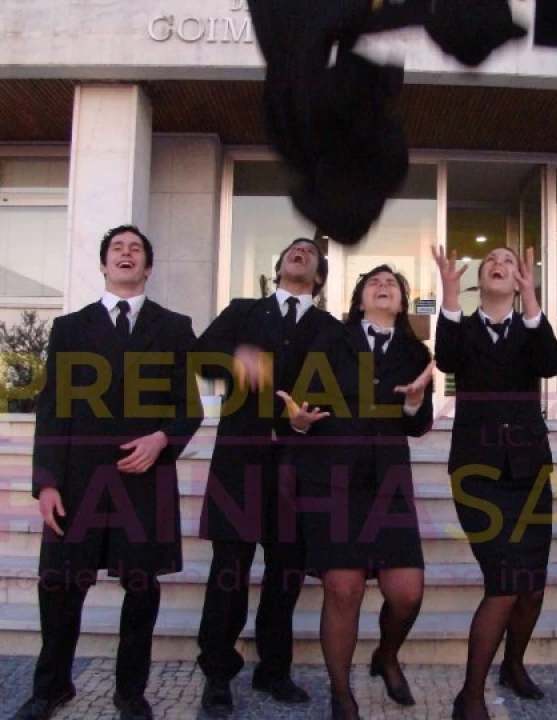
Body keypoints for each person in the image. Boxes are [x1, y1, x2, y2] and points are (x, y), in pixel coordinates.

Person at [10, 225, 203, 720]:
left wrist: (162, 440)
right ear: (103, 265)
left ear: (148, 268)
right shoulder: (70, 328)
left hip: (144, 479)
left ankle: (130, 693)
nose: (125, 254)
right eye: (117, 248)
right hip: (78, 480)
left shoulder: (174, 327)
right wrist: (46, 482)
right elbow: (52, 410)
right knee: (60, 587)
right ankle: (51, 687)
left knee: (141, 589)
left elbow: (189, 408)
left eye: (135, 249)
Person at [193, 238, 338, 715]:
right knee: (228, 573)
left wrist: (307, 420)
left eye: (310, 253)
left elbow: (338, 393)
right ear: (279, 267)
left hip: (299, 471)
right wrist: (236, 358)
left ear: (318, 278)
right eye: (294, 250)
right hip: (239, 466)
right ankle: (217, 672)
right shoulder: (243, 311)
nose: (301, 253)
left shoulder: (330, 329)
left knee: (286, 575)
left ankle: (274, 670)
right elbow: (200, 355)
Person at [285, 265, 434, 720]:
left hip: (388, 483)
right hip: (332, 480)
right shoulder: (331, 340)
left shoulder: (415, 352)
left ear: (402, 301)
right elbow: (301, 405)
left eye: (392, 284)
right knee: (343, 588)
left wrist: (413, 403)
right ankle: (341, 692)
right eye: (374, 283)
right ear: (359, 298)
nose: (383, 287)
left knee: (407, 593)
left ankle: (386, 656)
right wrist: (298, 422)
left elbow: (419, 425)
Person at [432, 245, 557, 720]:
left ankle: (513, 665)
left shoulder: (530, 328)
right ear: (480, 278)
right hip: (478, 474)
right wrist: (449, 295)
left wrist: (532, 301)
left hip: (529, 472)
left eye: (509, 261)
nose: (499, 264)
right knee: (505, 583)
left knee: (531, 587)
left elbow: (551, 363)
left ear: (519, 278)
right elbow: (446, 359)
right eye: (492, 260)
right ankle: (470, 695)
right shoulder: (462, 329)